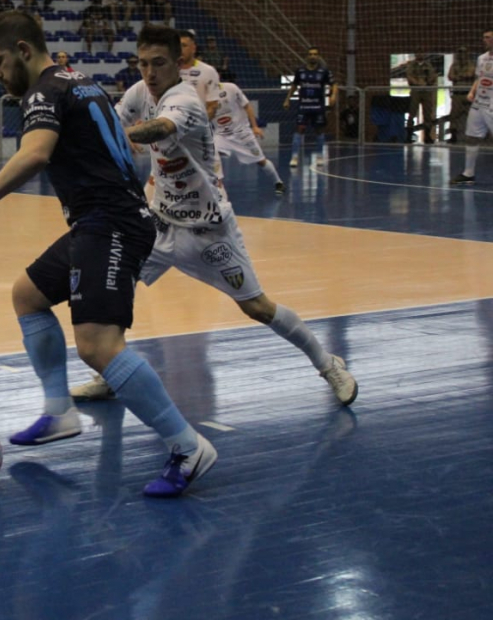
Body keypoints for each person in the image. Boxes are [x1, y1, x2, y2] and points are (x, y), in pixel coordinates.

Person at [0, 11, 214, 498]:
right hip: (100, 220)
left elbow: (35, 153)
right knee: (28, 294)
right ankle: (59, 410)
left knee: (98, 346)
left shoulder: (44, 91)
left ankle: (188, 447)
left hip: (111, 223)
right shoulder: (76, 79)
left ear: (23, 50)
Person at [70, 26, 356, 413]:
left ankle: (328, 364)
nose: (150, 72)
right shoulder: (139, 92)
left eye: (159, 64)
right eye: (143, 64)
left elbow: (158, 129)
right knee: (116, 286)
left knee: (257, 307)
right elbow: (114, 117)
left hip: (209, 229)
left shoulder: (185, 99)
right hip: (161, 223)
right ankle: (109, 373)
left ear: (178, 64)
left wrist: (111, 138)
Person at [213, 82, 284, 194]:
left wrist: (255, 126)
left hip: (241, 133)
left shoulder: (231, 88)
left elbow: (247, 106)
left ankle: (278, 182)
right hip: (221, 135)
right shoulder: (202, 94)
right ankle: (217, 186)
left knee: (261, 161)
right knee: (212, 154)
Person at [282, 46, 336, 167]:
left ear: (318, 56)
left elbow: (334, 84)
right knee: (299, 129)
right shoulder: (300, 71)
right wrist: (287, 99)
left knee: (319, 130)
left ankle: (320, 156)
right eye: (310, 54)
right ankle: (294, 157)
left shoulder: (324, 71)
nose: (312, 56)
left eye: (315, 54)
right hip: (304, 105)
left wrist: (333, 96)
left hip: (318, 106)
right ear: (307, 56)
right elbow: (294, 85)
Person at [452, 29, 493, 185]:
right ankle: (468, 173)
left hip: (491, 105)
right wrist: (472, 91)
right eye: (484, 37)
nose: (485, 40)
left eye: (489, 38)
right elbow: (479, 77)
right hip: (478, 103)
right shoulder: (482, 58)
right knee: (472, 137)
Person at [178, 29, 220, 120]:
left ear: (193, 48)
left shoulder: (208, 71)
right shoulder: (166, 71)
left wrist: (197, 125)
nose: (180, 50)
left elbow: (213, 106)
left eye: (184, 46)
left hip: (198, 129)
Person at [406, 54, 438, 144]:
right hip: (416, 91)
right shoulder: (411, 65)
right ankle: (409, 134)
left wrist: (427, 82)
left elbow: (433, 76)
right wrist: (418, 83)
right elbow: (409, 76)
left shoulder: (428, 65)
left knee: (427, 114)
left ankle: (427, 135)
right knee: (412, 112)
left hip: (426, 92)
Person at [448, 45, 475, 144]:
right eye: (460, 53)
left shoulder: (471, 64)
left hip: (467, 94)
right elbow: (450, 76)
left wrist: (458, 76)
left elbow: (470, 74)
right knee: (454, 115)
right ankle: (453, 135)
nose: (462, 55)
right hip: (457, 94)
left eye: (463, 52)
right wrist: (462, 76)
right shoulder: (454, 65)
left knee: (471, 116)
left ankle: (471, 136)